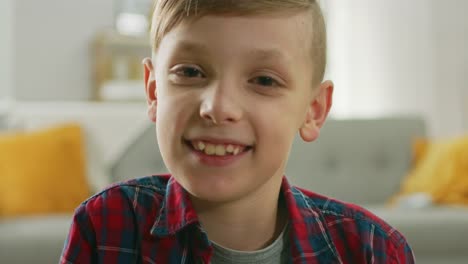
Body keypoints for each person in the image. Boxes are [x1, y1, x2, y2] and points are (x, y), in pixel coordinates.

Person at [60, 0, 415, 263]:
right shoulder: (105, 227)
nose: (218, 107)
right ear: (154, 91)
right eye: (190, 72)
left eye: (263, 80)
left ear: (313, 110)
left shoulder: (373, 250)